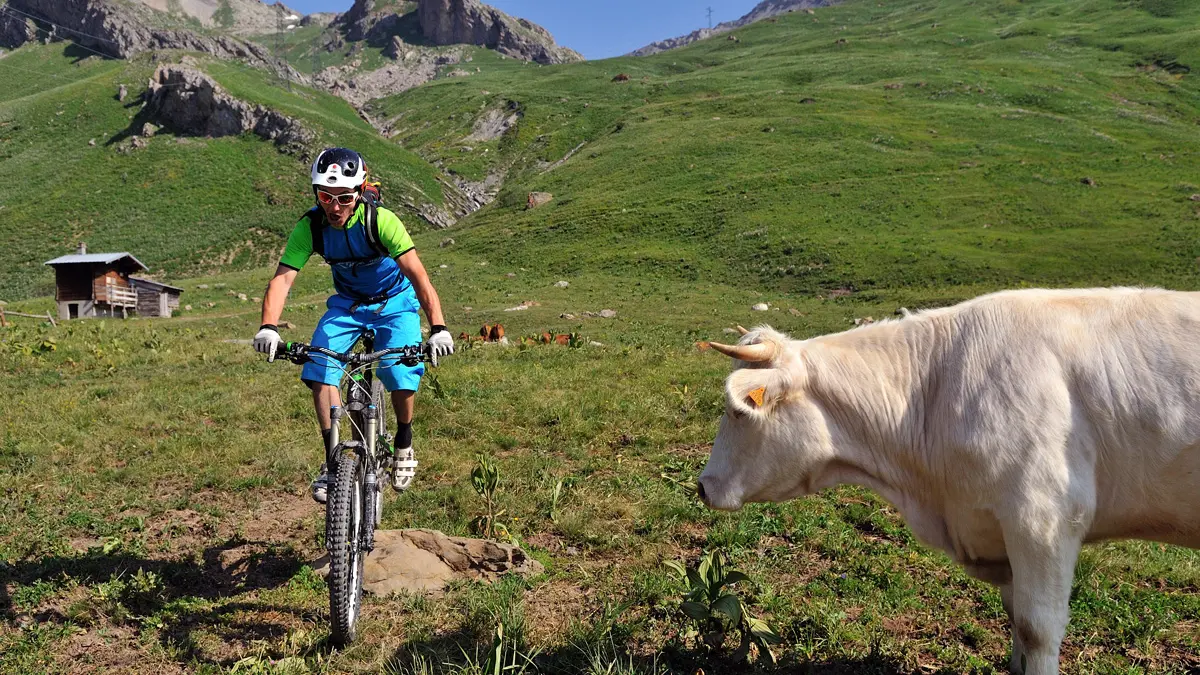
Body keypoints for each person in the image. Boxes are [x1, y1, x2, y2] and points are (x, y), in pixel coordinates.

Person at [253, 147, 453, 502]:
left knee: (400, 370)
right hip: (348, 305)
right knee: (320, 368)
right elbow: (282, 279)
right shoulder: (311, 226)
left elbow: (418, 275)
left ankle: (404, 442)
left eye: (344, 198)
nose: (334, 207)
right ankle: (332, 465)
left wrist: (438, 328)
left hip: (394, 301)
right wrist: (269, 326)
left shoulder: (381, 221)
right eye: (325, 196)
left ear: (360, 192)